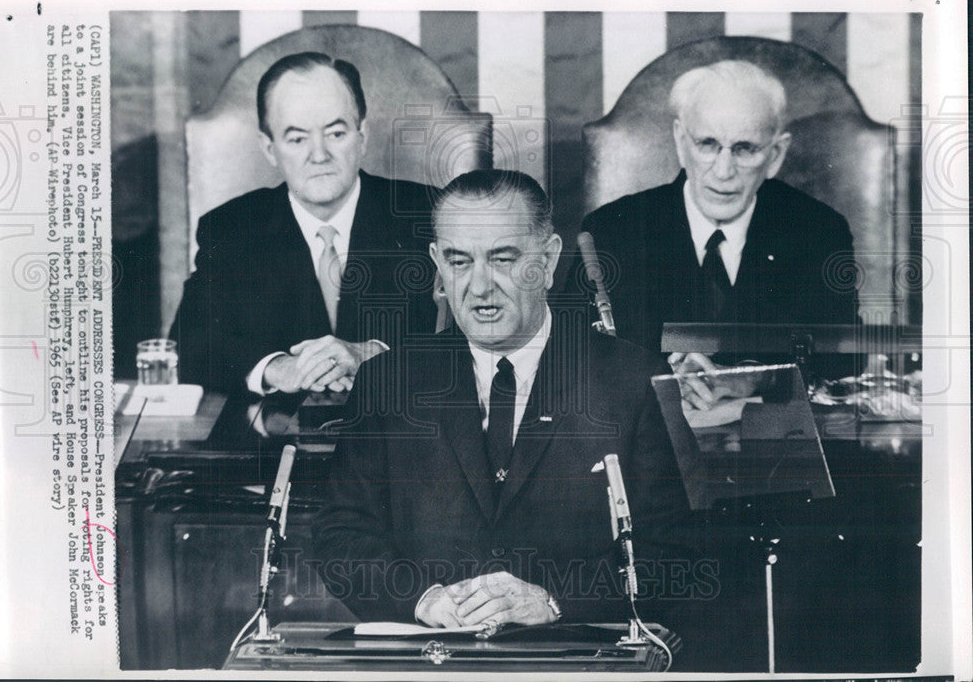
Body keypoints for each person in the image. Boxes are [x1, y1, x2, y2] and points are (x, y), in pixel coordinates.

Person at [313, 170, 692, 627]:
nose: (479, 286)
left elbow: (674, 555)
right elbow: (341, 534)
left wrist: (554, 601)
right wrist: (423, 600)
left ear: (549, 261)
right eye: (458, 261)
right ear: (436, 262)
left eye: (503, 259)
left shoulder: (631, 380)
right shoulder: (387, 382)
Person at [567, 60, 860, 408]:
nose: (723, 171)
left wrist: (759, 376)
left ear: (776, 154)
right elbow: (567, 357)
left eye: (745, 149)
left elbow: (847, 359)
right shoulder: (611, 230)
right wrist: (658, 373)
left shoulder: (818, 230)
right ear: (680, 140)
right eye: (707, 144)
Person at [169, 52, 439, 395]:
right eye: (297, 139)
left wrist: (373, 353)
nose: (319, 154)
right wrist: (277, 368)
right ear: (270, 149)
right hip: (278, 437)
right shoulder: (231, 228)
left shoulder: (428, 214)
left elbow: (480, 334)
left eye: (336, 133)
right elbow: (188, 349)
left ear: (363, 136)